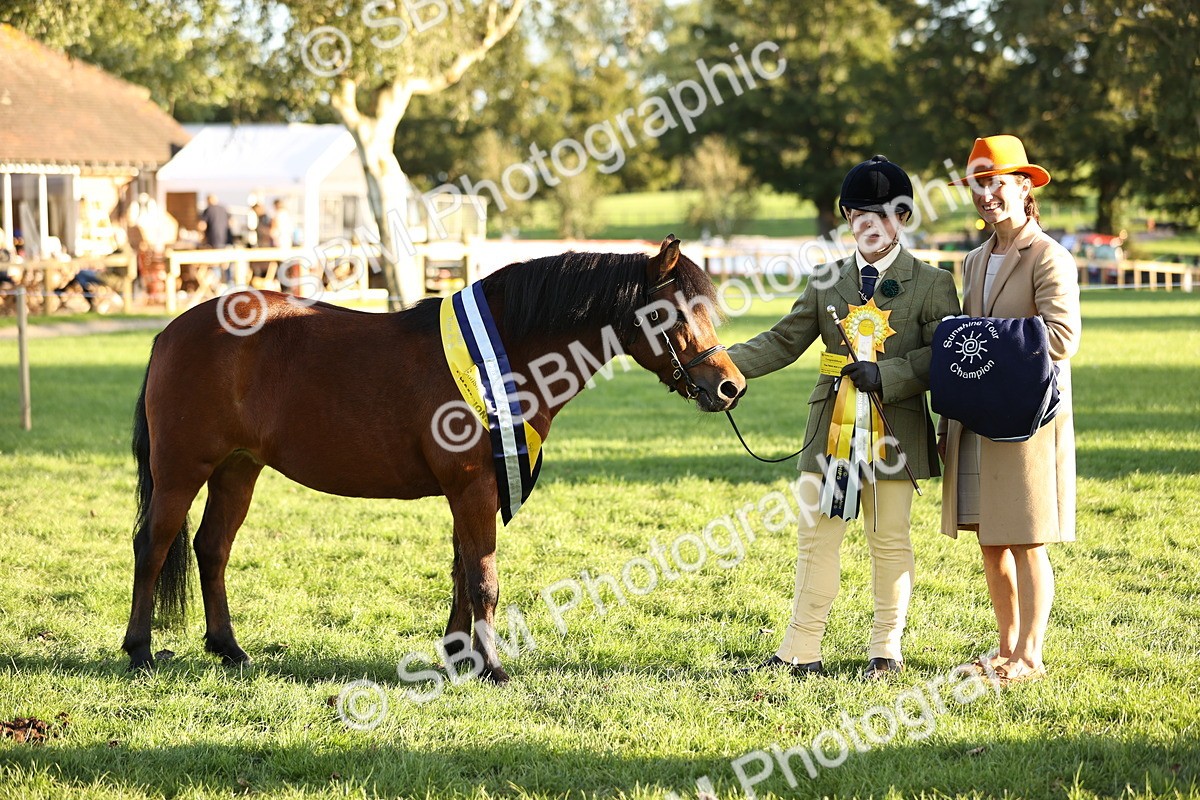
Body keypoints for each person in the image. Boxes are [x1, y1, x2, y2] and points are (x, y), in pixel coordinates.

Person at [731, 156, 961, 680]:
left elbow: (945, 352)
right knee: (817, 536)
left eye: (882, 213)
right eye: (858, 213)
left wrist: (893, 373)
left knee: (889, 538)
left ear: (903, 218)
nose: (869, 223)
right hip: (830, 429)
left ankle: (886, 649)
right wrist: (722, 364)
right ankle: (800, 649)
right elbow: (783, 340)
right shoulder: (826, 280)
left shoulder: (931, 283)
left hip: (894, 427)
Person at [939, 134, 1081, 686]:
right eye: (978, 184)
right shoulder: (974, 260)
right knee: (991, 538)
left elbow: (1063, 337)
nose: (986, 194)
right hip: (980, 415)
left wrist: (984, 341)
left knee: (1027, 537)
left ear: (1024, 187)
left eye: (996, 182)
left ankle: (1030, 655)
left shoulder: (1049, 255)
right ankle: (1003, 650)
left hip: (1029, 418)